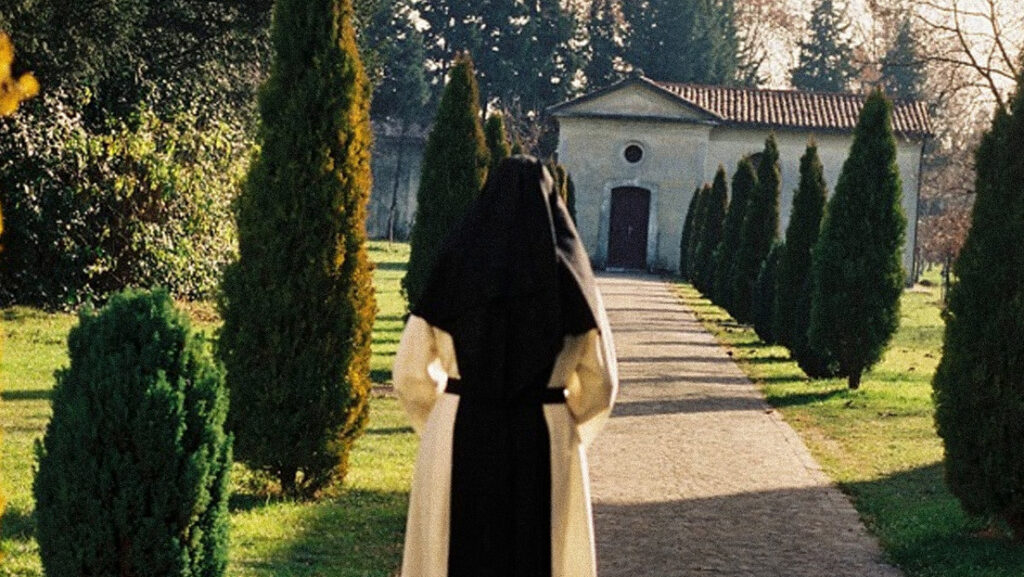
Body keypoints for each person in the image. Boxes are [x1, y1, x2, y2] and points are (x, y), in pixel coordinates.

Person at [393, 155, 618, 577]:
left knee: (450, 554)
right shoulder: (573, 280)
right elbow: (600, 383)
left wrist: (439, 420)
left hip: (459, 426)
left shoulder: (454, 269)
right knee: (542, 553)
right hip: (545, 432)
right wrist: (566, 424)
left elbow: (409, 373)